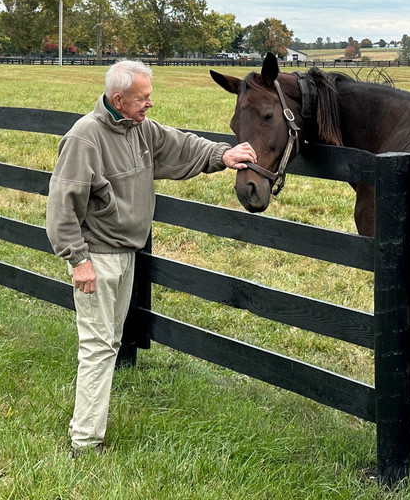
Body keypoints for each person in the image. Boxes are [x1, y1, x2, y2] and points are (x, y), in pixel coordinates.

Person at [46, 60, 256, 456]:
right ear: (118, 98)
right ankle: (85, 442)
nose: (150, 104)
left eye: (149, 96)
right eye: (143, 98)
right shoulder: (85, 139)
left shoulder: (140, 130)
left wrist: (223, 155)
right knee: (98, 345)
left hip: (126, 254)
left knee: (109, 340)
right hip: (98, 257)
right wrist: (79, 261)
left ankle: (86, 429)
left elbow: (181, 145)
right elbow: (61, 208)